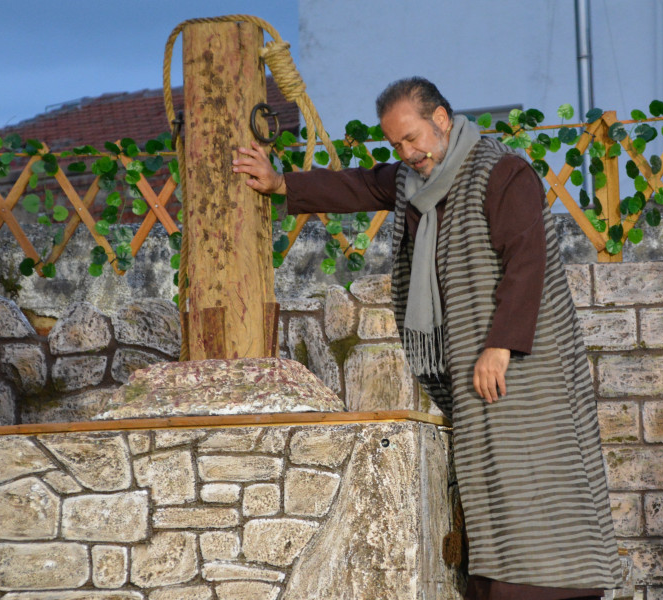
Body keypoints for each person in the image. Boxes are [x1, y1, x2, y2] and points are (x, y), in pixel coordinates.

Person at [233, 77, 621, 600]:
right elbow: (359, 186)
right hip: (476, 362)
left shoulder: (502, 172)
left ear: (441, 118)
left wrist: (499, 345)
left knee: (535, 478)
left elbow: (528, 262)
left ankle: (553, 589)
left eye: (412, 137)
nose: (406, 152)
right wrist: (281, 184)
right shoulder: (416, 183)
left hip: (528, 366)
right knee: (492, 489)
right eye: (396, 144)